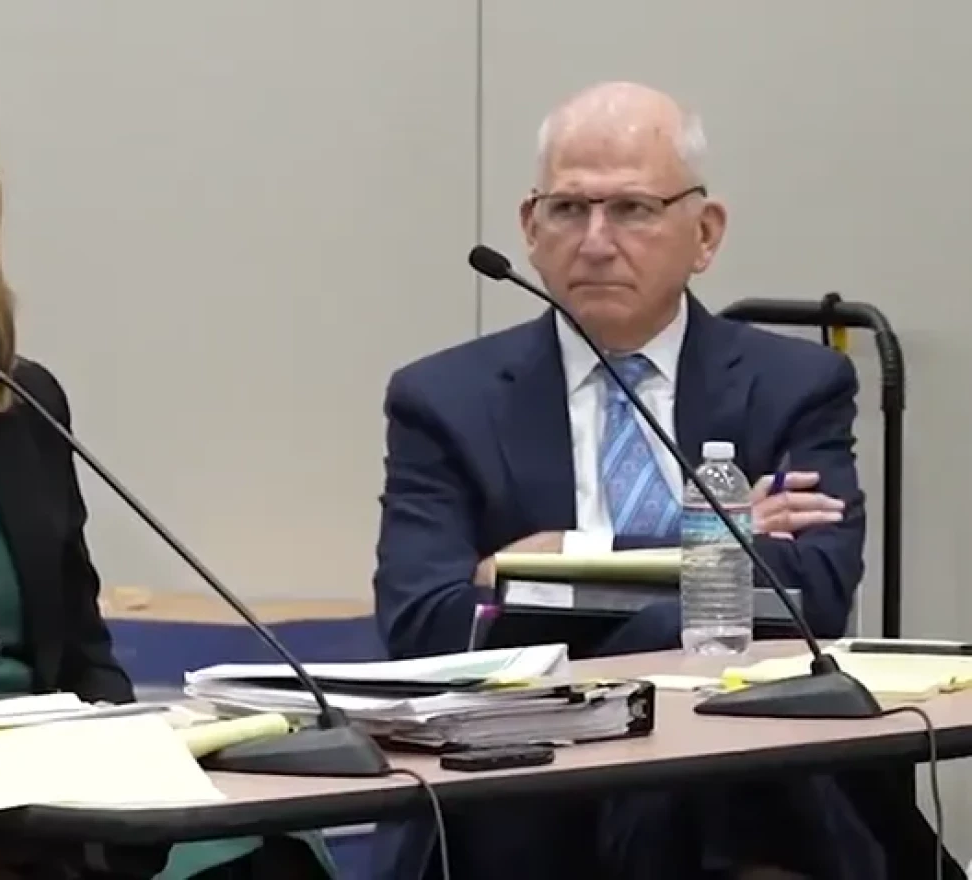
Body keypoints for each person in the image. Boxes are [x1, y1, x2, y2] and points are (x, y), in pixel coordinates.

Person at [0, 40, 337, 880]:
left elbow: (84, 649)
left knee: (280, 855)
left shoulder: (15, 397)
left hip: (68, 792)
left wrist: (131, 753)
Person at [370, 82, 884, 880]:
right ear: (529, 228)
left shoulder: (794, 385)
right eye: (568, 209)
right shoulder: (442, 400)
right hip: (526, 789)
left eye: (632, 209)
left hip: (742, 778)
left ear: (704, 233)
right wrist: (720, 543)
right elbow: (424, 625)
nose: (595, 241)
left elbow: (807, 598)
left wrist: (545, 563)